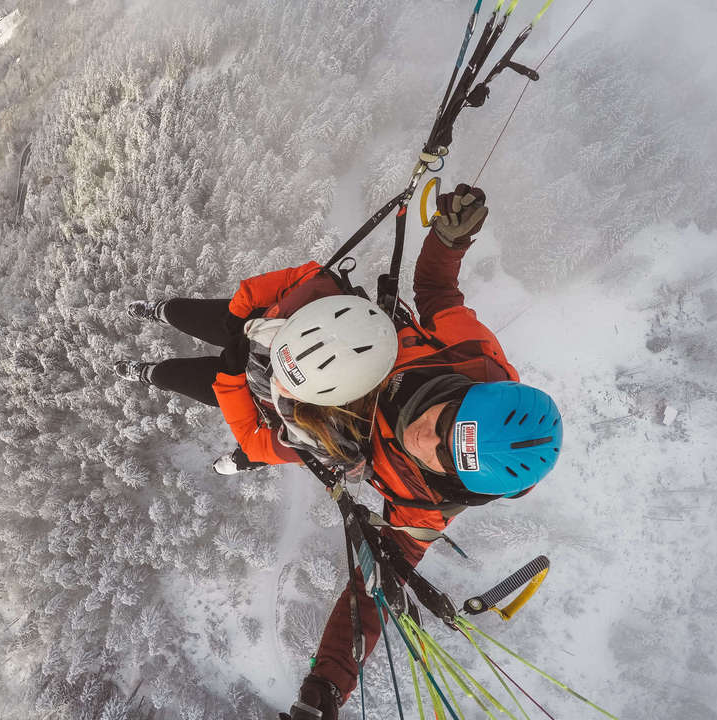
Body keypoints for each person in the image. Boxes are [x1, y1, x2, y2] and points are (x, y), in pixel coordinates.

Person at [115, 184, 563, 719]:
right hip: (312, 340)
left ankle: (144, 370)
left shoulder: (424, 508)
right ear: (469, 394)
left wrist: (325, 688)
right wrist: (448, 242)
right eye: (446, 422)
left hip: (299, 416)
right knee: (205, 320)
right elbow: (438, 294)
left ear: (465, 481)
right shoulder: (473, 358)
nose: (425, 438)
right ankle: (158, 311)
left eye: (446, 458)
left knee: (192, 379)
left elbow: (372, 594)